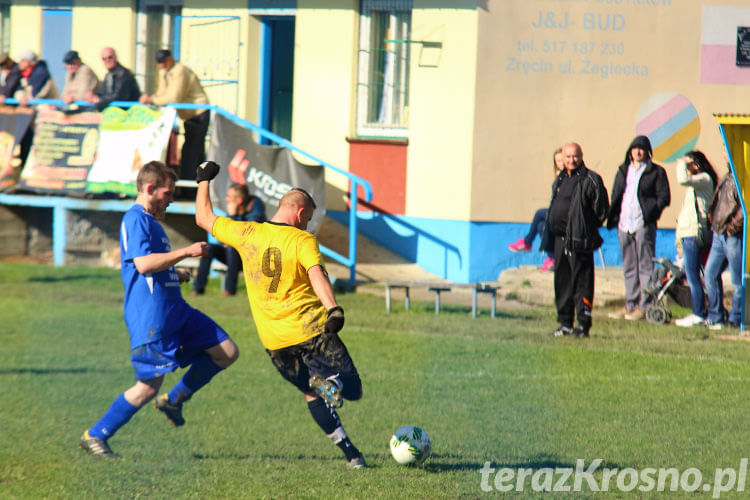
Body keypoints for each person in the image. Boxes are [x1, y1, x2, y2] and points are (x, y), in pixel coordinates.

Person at [194, 161, 366, 468]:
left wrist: (204, 179)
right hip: (311, 331)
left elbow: (203, 218)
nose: (308, 225)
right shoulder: (301, 240)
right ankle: (334, 386)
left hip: (274, 341)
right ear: (300, 214)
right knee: (352, 388)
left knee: (311, 393)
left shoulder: (246, 231)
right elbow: (317, 275)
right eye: (308, 219)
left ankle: (351, 454)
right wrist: (333, 309)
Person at [79, 161, 239, 458]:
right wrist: (186, 252)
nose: (171, 198)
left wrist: (174, 274)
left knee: (227, 351)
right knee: (148, 386)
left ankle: (174, 400)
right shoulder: (135, 219)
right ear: (150, 189)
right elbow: (142, 264)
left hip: (176, 310)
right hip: (152, 319)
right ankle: (96, 434)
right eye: (168, 193)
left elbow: (149, 267)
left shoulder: (152, 222)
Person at [546, 143, 609, 338]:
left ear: (581, 156)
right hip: (560, 240)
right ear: (562, 158)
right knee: (562, 282)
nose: (571, 160)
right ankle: (565, 323)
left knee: (582, 282)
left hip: (579, 240)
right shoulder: (560, 179)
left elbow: (601, 210)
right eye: (567, 156)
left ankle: (583, 325)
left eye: (575, 156)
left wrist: (585, 228)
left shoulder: (591, 179)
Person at [607, 135, 670, 321]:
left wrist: (651, 212)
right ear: (630, 151)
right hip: (624, 224)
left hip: (643, 223)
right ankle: (630, 304)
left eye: (642, 148)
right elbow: (616, 194)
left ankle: (645, 305)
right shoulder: (623, 170)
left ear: (648, 151)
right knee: (629, 265)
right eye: (635, 148)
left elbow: (664, 197)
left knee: (645, 266)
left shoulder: (656, 171)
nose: (638, 151)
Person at [140, 49, 209, 180]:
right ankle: (195, 186)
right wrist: (150, 99)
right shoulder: (164, 72)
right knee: (194, 151)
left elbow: (174, 97)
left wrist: (152, 100)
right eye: (159, 62)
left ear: (171, 58)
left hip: (199, 113)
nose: (162, 65)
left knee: (191, 151)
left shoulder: (179, 70)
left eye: (163, 61)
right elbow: (162, 93)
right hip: (188, 116)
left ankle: (189, 187)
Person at [191, 183, 266, 296]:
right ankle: (198, 289)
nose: (226, 199)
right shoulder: (234, 208)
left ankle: (230, 290)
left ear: (239, 200)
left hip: (250, 255)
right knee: (209, 248)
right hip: (233, 253)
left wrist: (233, 216)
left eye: (229, 197)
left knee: (232, 248)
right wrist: (225, 239)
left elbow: (248, 229)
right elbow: (228, 232)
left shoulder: (255, 206)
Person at [674, 151, 718, 327]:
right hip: (688, 234)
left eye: (689, 163)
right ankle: (704, 311)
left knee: (694, 276)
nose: (686, 166)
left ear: (697, 165)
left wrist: (681, 163)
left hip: (695, 234)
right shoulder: (696, 186)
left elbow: (682, 179)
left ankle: (698, 313)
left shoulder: (704, 179)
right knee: (695, 275)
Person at [508, 147, 564, 272]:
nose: (560, 164)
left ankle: (527, 242)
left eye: (561, 160)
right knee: (540, 226)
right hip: (556, 211)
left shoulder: (569, 176)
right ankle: (552, 258)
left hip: (565, 215)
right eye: (557, 162)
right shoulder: (559, 176)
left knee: (539, 213)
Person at [703, 162, 744, 330]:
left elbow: (744, 207)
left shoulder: (741, 178)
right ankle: (715, 315)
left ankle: (736, 317)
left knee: (737, 279)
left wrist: (732, 227)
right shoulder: (727, 176)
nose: (724, 153)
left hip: (732, 235)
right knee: (710, 273)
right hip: (718, 233)